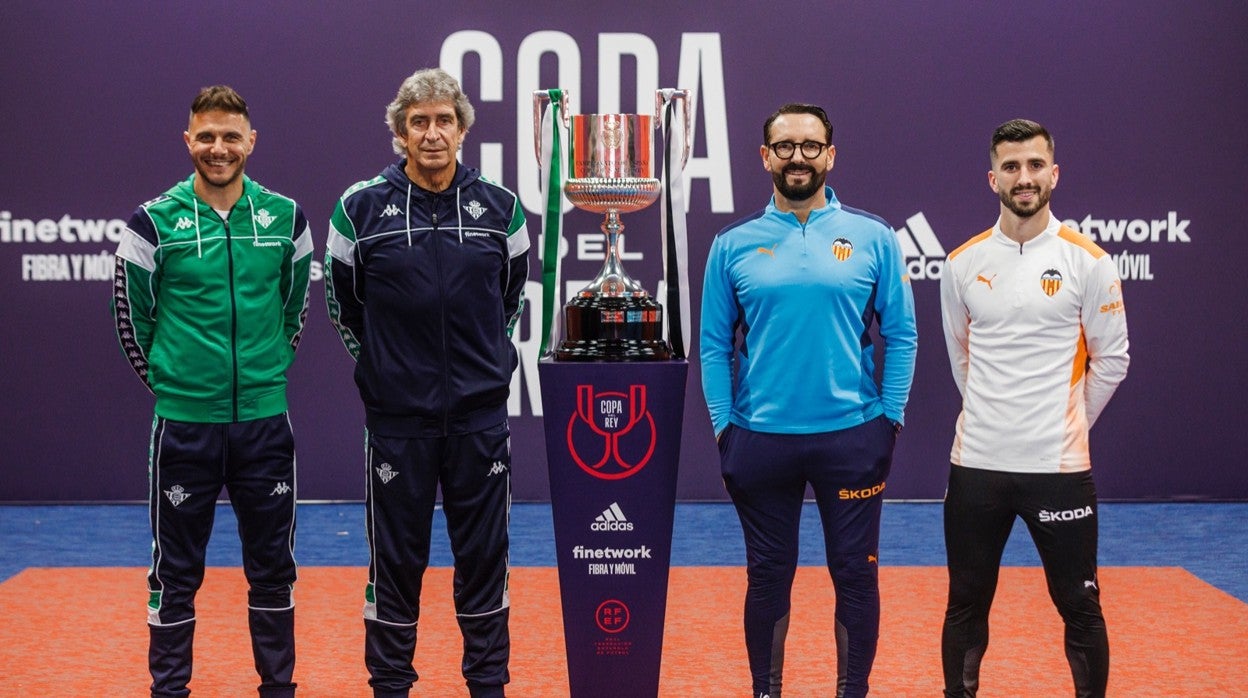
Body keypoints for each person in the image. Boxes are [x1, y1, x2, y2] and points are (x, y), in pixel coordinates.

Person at [700, 103, 917, 698]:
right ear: (765, 156)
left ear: (831, 155)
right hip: (760, 439)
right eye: (785, 146)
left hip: (852, 437)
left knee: (855, 575)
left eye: (811, 145)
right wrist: (724, 427)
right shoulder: (732, 245)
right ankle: (765, 692)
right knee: (768, 576)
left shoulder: (873, 237)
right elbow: (714, 345)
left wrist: (890, 419)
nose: (799, 157)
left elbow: (901, 334)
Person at [325, 67, 529, 698]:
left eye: (444, 120)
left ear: (463, 128)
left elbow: (508, 301)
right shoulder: (359, 209)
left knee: (485, 564)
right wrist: (385, 371)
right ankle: (390, 687)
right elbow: (344, 307)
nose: (432, 133)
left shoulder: (501, 208)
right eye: (419, 123)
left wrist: (482, 366)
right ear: (400, 132)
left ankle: (487, 686)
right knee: (395, 566)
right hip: (398, 425)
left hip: (479, 421)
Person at [112, 85, 313, 697]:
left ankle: (278, 688)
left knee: (273, 570)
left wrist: (265, 373)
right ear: (187, 141)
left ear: (252, 141)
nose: (218, 148)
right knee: (174, 575)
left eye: (230, 136)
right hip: (184, 427)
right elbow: (132, 321)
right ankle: (169, 690)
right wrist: (175, 385)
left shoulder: (286, 219)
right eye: (206, 136)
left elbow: (294, 309)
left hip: (264, 425)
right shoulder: (152, 222)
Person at [939, 119, 1129, 697]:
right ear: (992, 178)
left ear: (1054, 174)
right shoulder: (962, 263)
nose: (1024, 177)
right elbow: (962, 358)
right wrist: (994, 416)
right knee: (965, 603)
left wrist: (1067, 422)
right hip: (976, 466)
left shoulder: (1089, 262)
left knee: (1080, 605)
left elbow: (1112, 359)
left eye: (1035, 165)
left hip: (1060, 469)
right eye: (1012, 167)